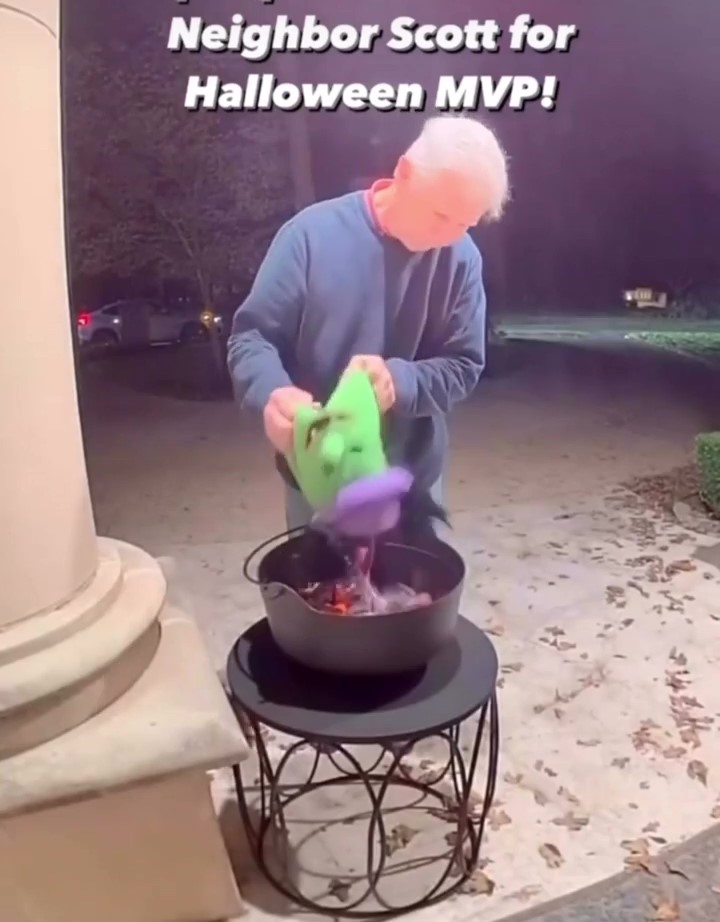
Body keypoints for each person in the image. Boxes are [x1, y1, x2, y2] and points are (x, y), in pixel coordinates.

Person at [227, 114, 509, 531]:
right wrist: (272, 393)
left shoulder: (462, 258)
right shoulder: (309, 236)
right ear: (404, 172)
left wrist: (399, 382)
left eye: (465, 224)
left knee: (419, 594)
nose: (448, 236)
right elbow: (252, 338)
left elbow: (464, 365)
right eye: (440, 214)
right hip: (318, 476)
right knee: (323, 591)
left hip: (413, 481)